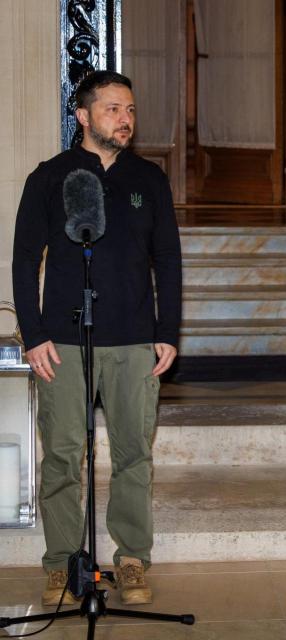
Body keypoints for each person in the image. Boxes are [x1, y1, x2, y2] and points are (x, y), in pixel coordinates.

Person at [12, 71, 182, 607]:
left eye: (129, 109)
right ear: (82, 116)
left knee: (134, 453)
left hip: (134, 339)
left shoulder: (149, 179)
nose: (125, 119)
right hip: (62, 339)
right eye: (112, 109)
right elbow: (23, 260)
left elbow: (169, 259)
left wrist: (168, 331)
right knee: (62, 455)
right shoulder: (49, 178)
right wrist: (34, 334)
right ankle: (62, 562)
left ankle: (131, 559)